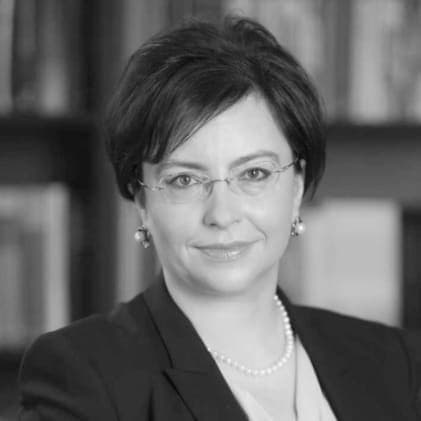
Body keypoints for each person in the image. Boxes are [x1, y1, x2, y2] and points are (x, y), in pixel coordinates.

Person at [19, 16, 420, 421]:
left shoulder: (394, 362)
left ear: (296, 187)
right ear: (142, 200)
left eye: (254, 174)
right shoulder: (85, 375)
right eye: (185, 180)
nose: (222, 214)